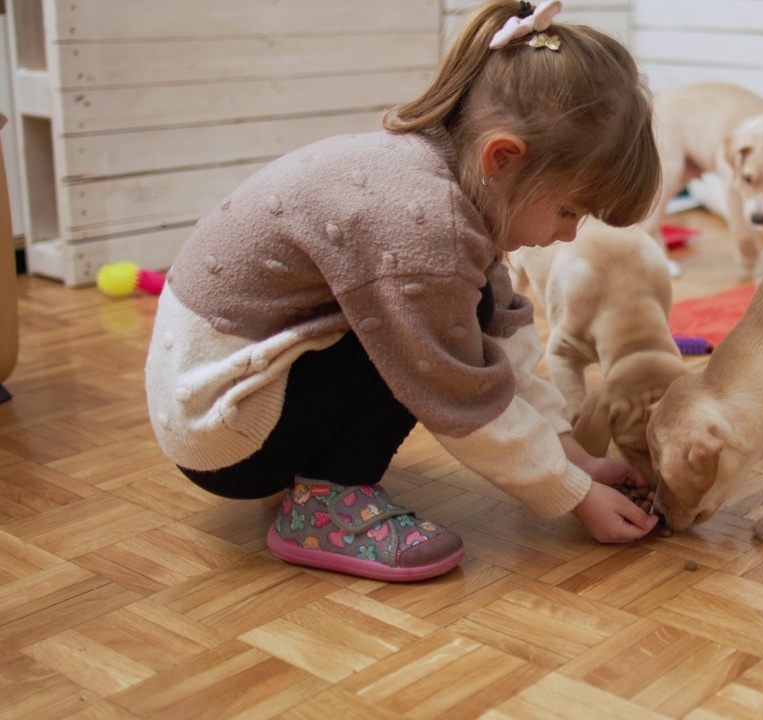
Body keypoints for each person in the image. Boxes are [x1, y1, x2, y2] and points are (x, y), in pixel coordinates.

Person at [144, 0, 663, 583]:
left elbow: (504, 348)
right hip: (222, 425)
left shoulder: (453, 183)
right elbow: (458, 394)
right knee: (418, 341)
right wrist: (571, 494)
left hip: (226, 388)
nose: (567, 234)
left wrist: (576, 459)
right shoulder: (425, 227)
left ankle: (320, 470)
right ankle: (325, 506)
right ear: (503, 157)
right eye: (568, 210)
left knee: (463, 315)